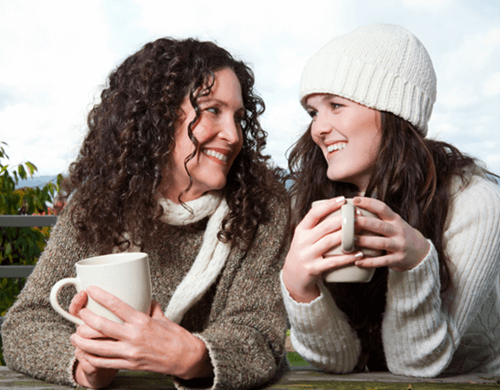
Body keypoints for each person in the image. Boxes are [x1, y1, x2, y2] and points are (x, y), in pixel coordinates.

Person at [2, 37, 290, 389]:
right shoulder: (98, 205)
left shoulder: (260, 208)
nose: (233, 135)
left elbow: (261, 336)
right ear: (159, 115)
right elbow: (25, 322)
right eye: (212, 110)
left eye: (238, 117)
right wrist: (85, 365)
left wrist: (195, 356)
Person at [281, 23, 500, 377]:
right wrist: (298, 286)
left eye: (336, 105)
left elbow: (416, 364)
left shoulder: (474, 203)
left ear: (394, 111)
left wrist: (414, 264)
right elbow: (340, 362)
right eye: (313, 112)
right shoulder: (309, 202)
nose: (317, 129)